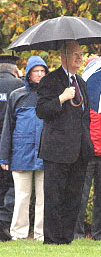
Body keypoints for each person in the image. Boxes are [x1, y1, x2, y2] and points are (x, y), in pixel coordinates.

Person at [36, 40, 94, 245]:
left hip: (79, 150)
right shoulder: (50, 81)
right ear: (63, 56)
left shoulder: (81, 82)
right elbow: (41, 110)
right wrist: (60, 98)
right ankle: (51, 240)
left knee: (74, 197)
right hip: (57, 149)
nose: (80, 58)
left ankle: (66, 238)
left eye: (81, 54)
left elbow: (84, 116)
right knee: (54, 197)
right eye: (75, 54)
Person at [0, 56, 48, 241]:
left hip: (44, 153)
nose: (40, 75)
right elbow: (8, 129)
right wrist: (4, 157)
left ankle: (41, 233)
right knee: (21, 197)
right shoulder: (17, 95)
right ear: (28, 73)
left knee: (43, 198)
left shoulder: (49, 96)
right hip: (21, 153)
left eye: (43, 71)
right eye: (36, 71)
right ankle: (18, 233)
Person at [74, 56, 101, 240]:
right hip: (88, 152)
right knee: (81, 195)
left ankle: (100, 234)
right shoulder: (82, 93)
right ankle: (76, 232)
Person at [0, 55, 23, 242]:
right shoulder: (18, 86)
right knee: (11, 185)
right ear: (14, 69)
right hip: (11, 145)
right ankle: (4, 224)